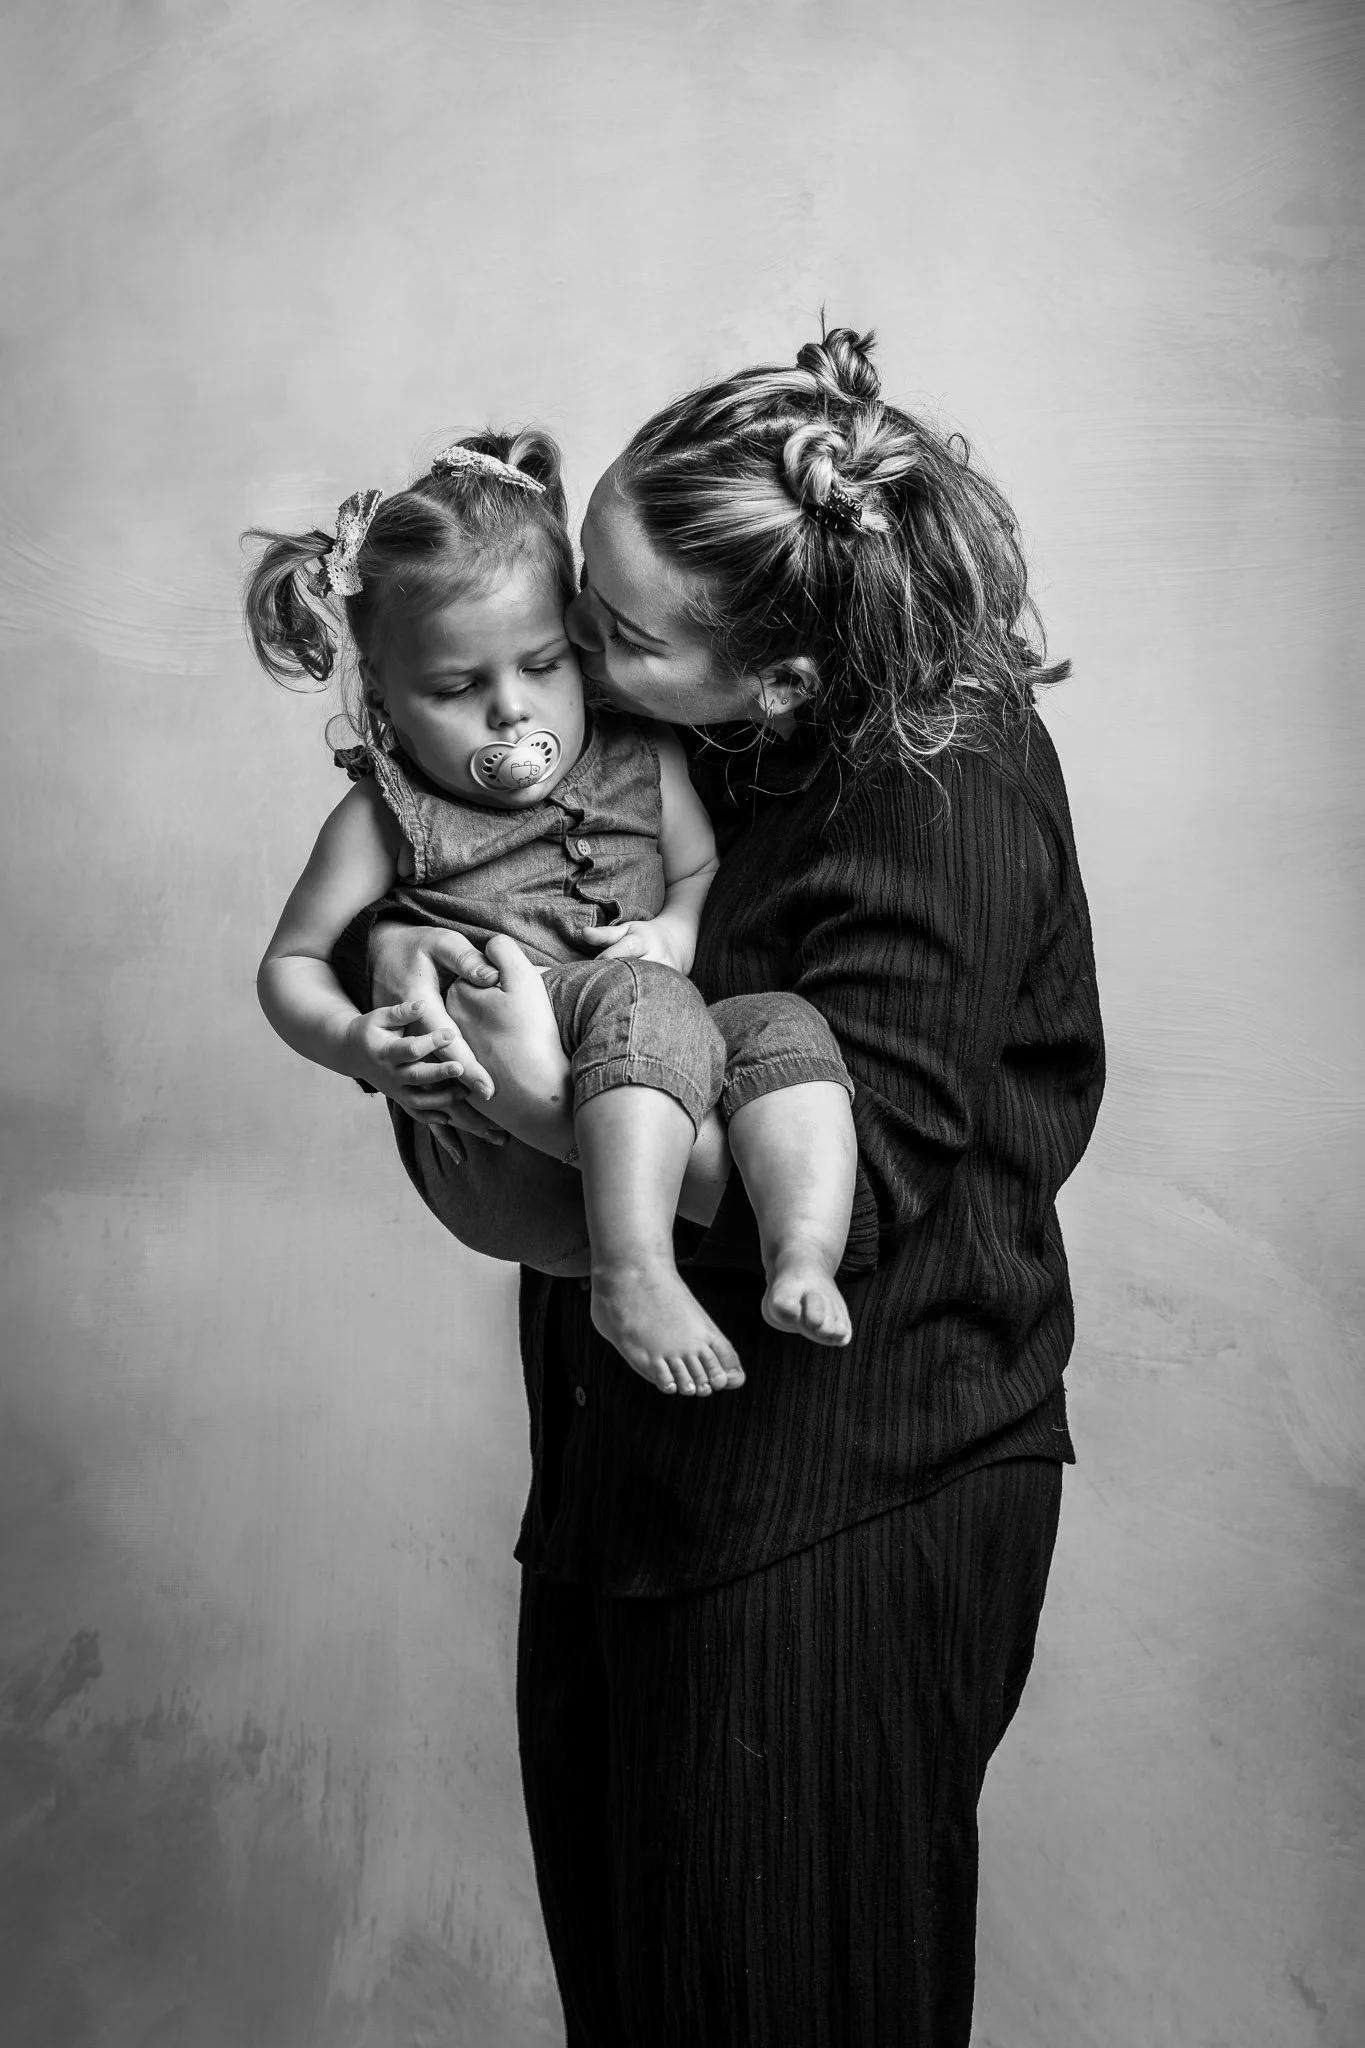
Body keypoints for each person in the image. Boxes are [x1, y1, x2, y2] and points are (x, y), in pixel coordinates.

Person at [339, 329, 1105, 2046]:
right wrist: (404, 954)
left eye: (616, 637)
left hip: (838, 1501)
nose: (573, 662)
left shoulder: (947, 791)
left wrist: (542, 1102)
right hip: (629, 1479)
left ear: (779, 677)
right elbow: (479, 871)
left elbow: (861, 1186)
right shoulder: (694, 731)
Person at [243, 431, 858, 1398]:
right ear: (385, 701)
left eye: (542, 665)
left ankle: (802, 1252)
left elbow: (697, 873)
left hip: (657, 1094)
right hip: (498, 1154)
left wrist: (672, 933)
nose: (510, 711)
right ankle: (632, 1274)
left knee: (781, 1026)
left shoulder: (647, 755)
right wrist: (358, 1043)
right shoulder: (382, 813)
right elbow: (292, 964)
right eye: (456, 687)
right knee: (644, 995)